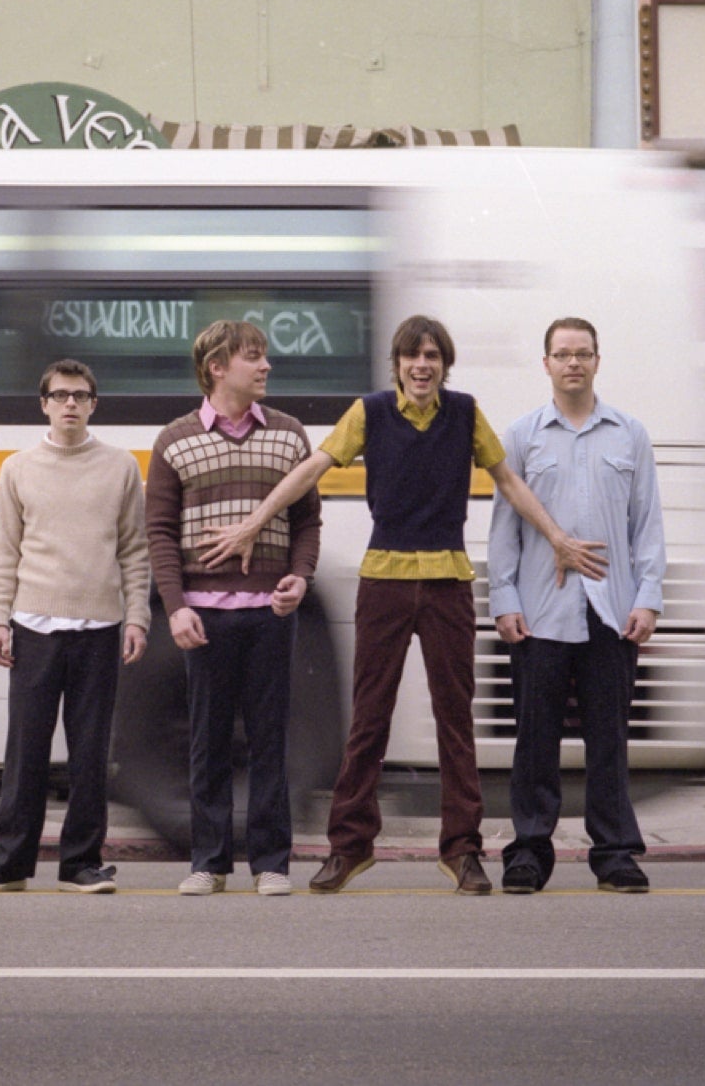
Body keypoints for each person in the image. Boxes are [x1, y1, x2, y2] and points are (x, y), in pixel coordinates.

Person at [201, 316, 605, 895]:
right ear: (396, 364)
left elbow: (509, 482)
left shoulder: (465, 413)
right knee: (369, 719)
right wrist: (254, 523)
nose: (423, 365)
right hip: (384, 581)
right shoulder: (369, 413)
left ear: (444, 364)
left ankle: (462, 851)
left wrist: (558, 538)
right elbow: (313, 468)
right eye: (413, 356)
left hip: (448, 583)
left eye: (433, 356)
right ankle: (350, 847)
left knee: (454, 722)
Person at [487, 317, 665, 895]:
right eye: (562, 354)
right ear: (545, 363)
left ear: (596, 360)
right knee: (534, 738)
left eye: (583, 354)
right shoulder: (522, 436)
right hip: (542, 609)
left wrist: (649, 598)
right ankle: (530, 852)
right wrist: (504, 598)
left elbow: (648, 525)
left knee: (608, 738)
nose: (573, 364)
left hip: (611, 609)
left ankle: (614, 854)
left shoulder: (630, 434)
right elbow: (504, 529)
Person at [147, 320, 322, 898]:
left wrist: (300, 577)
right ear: (218, 367)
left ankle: (272, 863)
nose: (267, 366)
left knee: (271, 739)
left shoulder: (291, 436)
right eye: (254, 357)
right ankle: (209, 861)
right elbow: (160, 533)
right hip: (203, 616)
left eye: (265, 356)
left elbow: (307, 522)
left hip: (271, 615)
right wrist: (175, 608)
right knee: (208, 740)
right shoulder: (174, 441)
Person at [0, 359, 150, 894]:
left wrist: (137, 616)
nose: (70, 403)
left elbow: (135, 551)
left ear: (95, 405)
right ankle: (11, 861)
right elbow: (4, 551)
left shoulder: (120, 467)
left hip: (99, 627)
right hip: (32, 627)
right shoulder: (17, 468)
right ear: (43, 403)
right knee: (26, 749)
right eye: (61, 394)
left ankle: (81, 864)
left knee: (91, 751)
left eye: (81, 395)